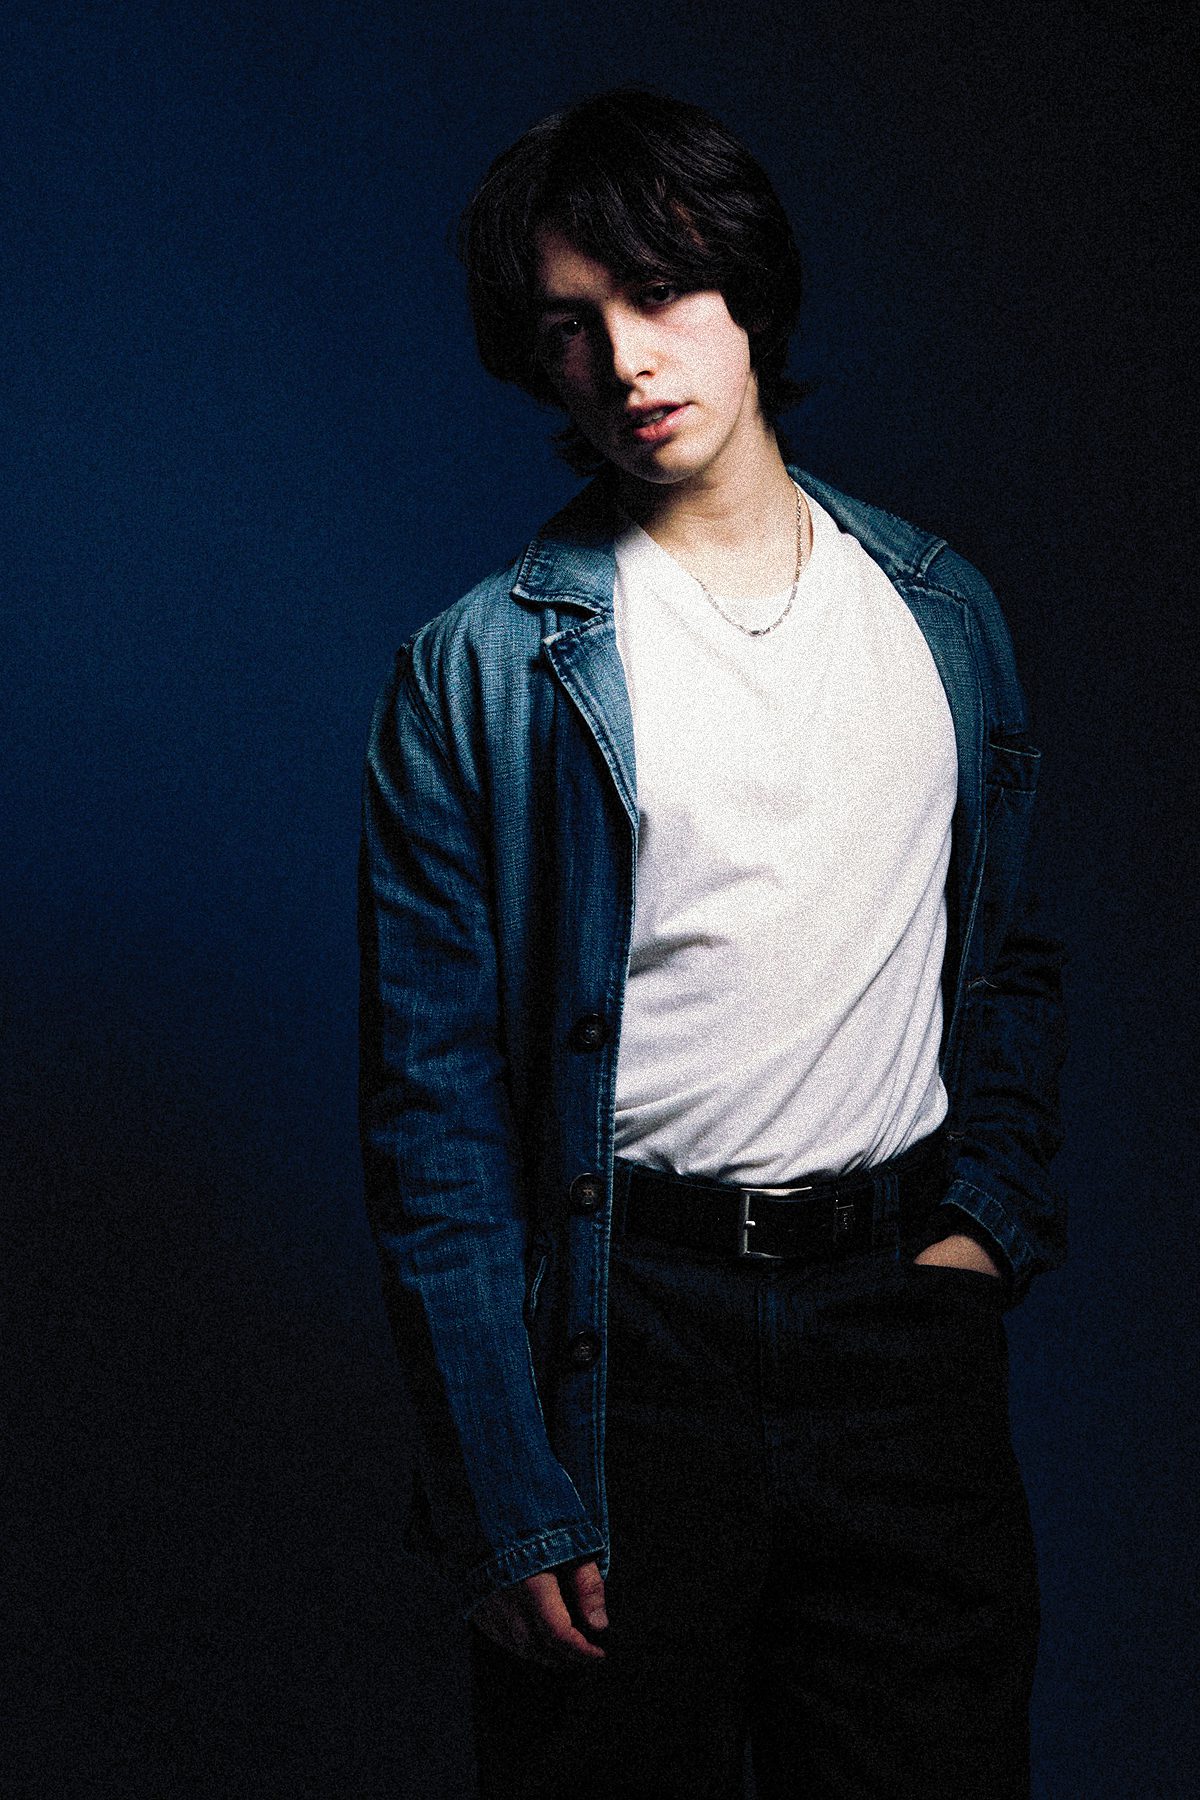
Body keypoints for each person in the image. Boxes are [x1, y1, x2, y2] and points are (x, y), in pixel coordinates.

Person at [358, 87, 1066, 1800]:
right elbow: (433, 1118)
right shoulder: (482, 674)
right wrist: (501, 1485)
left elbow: (1010, 960)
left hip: (898, 1329)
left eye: (660, 292)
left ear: (746, 286)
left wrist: (982, 1231)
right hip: (627, 1349)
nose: (625, 361)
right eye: (569, 326)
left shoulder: (942, 615)